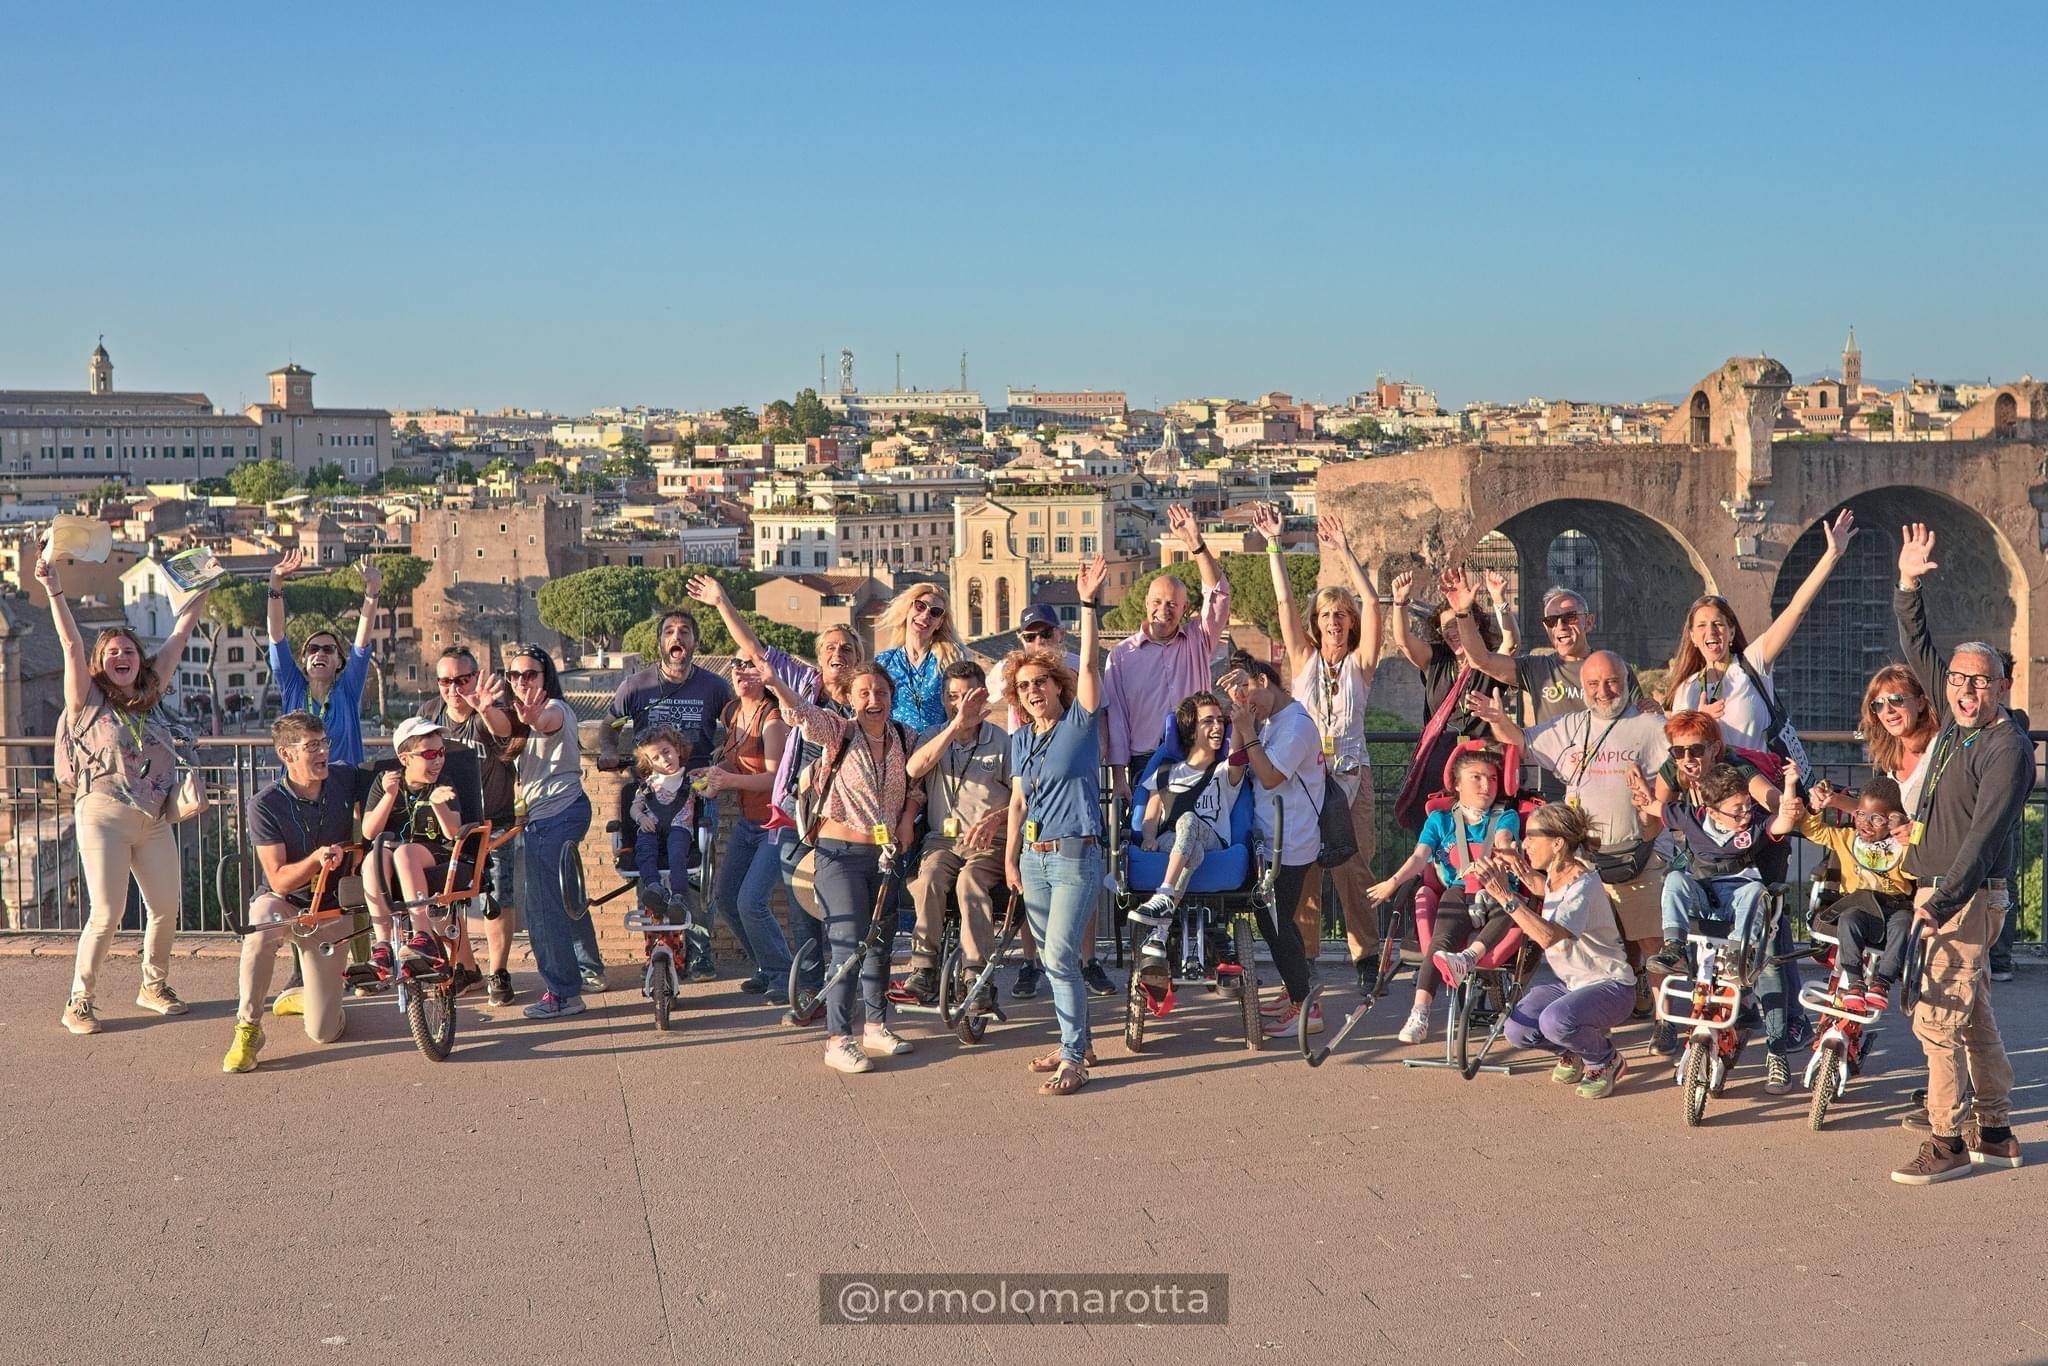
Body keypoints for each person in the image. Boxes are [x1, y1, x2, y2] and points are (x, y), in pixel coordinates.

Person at [1888, 524, 2030, 1184]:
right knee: (1971, 1016)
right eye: (1958, 680)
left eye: (1981, 681)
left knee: (1935, 1020)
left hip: (1963, 896)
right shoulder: (1955, 725)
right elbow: (1919, 649)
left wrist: (1936, 903)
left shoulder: (2006, 749)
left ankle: (1946, 1141)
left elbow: (1984, 837)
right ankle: (1996, 1131)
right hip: (1943, 890)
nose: (1966, 690)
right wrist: (1909, 584)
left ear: (2003, 686)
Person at [40, 548, 211, 1035]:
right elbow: (71, 646)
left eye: (129, 651)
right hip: (103, 815)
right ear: (100, 662)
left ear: (140, 661)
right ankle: (79, 1000)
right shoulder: (87, 701)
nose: (121, 657)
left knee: (165, 907)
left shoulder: (151, 694)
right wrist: (54, 587)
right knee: (108, 912)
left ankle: (152, 986)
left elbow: (180, 634)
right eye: (112, 652)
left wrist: (200, 588)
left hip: (153, 818)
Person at [686, 574, 859, 1021]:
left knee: (845, 914)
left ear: (859, 659)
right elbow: (757, 650)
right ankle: (807, 993)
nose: (837, 655)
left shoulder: (867, 699)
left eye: (846, 649)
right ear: (818, 659)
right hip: (796, 816)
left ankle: (851, 995)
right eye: (829, 649)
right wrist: (722, 601)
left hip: (845, 818)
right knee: (803, 909)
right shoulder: (802, 684)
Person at [1467, 651, 1670, 1022]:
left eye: (1612, 682)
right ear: (1584, 687)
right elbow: (1522, 740)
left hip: (1637, 852)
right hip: (1586, 859)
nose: (1604, 691)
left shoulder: (1650, 724)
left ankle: (1665, 1021)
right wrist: (1498, 719)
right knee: (1592, 942)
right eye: (1594, 684)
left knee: (1650, 940)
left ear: (1627, 682)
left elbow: (1684, 760)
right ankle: (1591, 1018)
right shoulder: (1571, 725)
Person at [759, 661, 919, 1073]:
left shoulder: (904, 736)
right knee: (849, 942)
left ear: (891, 698)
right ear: (849, 698)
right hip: (837, 854)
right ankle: (837, 1038)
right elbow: (803, 716)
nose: (873, 700)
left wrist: (907, 815)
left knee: (880, 942)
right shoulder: (840, 731)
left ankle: (876, 1025)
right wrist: (777, 685)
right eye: (863, 692)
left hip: (883, 857)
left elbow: (918, 782)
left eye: (881, 692)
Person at [1252, 504, 1385, 992]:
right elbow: (1285, 605)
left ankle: (1366, 959)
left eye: (1341, 614)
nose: (1334, 621)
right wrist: (1274, 546)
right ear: (1317, 622)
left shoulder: (1361, 666)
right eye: (1326, 614)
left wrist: (1345, 552)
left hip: (1353, 775)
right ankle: (1303, 959)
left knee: (1354, 870)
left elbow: (1375, 608)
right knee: (1303, 870)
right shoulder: (1303, 659)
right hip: (1306, 778)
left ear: (1350, 623)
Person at [1098, 504, 1231, 995]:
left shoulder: (1198, 640)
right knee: (1147, 846)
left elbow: (1219, 593)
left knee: (1194, 838)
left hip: (1197, 760)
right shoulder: (1121, 656)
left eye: (1174, 604)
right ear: (1144, 605)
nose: (1164, 611)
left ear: (1183, 610)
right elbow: (1114, 719)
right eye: (1157, 602)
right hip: (1142, 763)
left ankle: (1204, 936)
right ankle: (1153, 955)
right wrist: (1118, 777)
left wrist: (1197, 543)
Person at [1004, 556, 1112, 1094]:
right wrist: (1009, 860)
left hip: (1074, 855)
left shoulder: (1079, 725)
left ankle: (1074, 1057)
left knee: (1059, 956)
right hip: (1033, 859)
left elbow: (1090, 667)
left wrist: (1088, 603)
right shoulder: (1021, 739)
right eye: (1023, 687)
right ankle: (1081, 1040)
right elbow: (1018, 803)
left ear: (1057, 685)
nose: (1032, 691)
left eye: (1041, 682)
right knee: (1053, 961)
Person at [222, 713, 376, 1072]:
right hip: (285, 903)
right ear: (286, 754)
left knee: (324, 1032)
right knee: (260, 925)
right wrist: (317, 860)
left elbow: (391, 774)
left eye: (324, 743)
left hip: (331, 909)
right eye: (312, 746)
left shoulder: (344, 776)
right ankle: (248, 1028)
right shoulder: (264, 804)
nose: (323, 751)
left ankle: (304, 997)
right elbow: (278, 880)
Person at [600, 607, 733, 980]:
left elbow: (738, 723)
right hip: (651, 793)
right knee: (649, 870)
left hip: (698, 791)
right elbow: (608, 725)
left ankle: (701, 953)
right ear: (660, 642)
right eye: (670, 631)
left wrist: (729, 760)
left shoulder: (714, 686)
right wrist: (609, 751)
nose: (678, 637)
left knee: (699, 873)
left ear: (695, 643)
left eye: (685, 632)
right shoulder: (637, 686)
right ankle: (656, 949)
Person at [1472, 802, 1636, 1099]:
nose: (1525, 843)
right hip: (1573, 985)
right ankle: (1574, 1051)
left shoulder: (1581, 886)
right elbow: (1543, 887)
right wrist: (1516, 865)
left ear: (1558, 843)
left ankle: (1604, 1060)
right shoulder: (1558, 872)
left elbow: (1547, 937)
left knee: (1554, 1022)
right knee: (1516, 1031)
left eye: (1532, 837)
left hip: (1612, 987)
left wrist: (1505, 895)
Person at [1661, 509, 1856, 755]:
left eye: (1719, 624)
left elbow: (1796, 610)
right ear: (1692, 636)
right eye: (1701, 626)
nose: (1711, 631)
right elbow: (1679, 752)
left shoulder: (1751, 665)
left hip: (1760, 789)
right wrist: (1698, 720)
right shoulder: (1686, 689)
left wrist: (1831, 556)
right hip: (1714, 790)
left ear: (1731, 632)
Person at [1212, 651, 1329, 1039]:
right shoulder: (1271, 721)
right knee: (1277, 921)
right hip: (1274, 839)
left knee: (1275, 923)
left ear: (1264, 680)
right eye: (1236, 695)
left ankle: (1306, 1006)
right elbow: (1240, 764)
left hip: (1290, 842)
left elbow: (1271, 775)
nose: (1245, 702)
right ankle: (1297, 992)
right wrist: (1243, 725)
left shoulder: (1295, 726)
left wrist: (1247, 729)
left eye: (1246, 690)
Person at [1370, 747, 1521, 1044]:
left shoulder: (1506, 816)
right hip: (1459, 890)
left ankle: (1466, 958)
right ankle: (1419, 1013)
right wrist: (1393, 881)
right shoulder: (1440, 820)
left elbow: (1504, 841)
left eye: (1492, 778)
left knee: (1509, 907)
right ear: (1456, 784)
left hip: (1499, 889)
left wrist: (1505, 854)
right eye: (1476, 778)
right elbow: (1419, 857)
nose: (1486, 786)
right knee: (1440, 941)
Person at [901, 661, 1011, 1011]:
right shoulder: (933, 734)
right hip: (942, 840)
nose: (960, 703)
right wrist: (954, 727)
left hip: (987, 843)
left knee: (970, 883)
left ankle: (976, 975)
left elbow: (1023, 799)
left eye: (968, 696)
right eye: (952, 696)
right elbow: (914, 768)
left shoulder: (1003, 741)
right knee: (928, 879)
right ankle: (924, 969)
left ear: (983, 697)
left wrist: (997, 819)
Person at [500, 644, 596, 1021]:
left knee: (541, 908)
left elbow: (547, 721)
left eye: (530, 675)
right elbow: (506, 729)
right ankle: (590, 970)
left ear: (546, 678)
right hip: (554, 813)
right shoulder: (520, 716)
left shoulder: (555, 708)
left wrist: (534, 717)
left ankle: (562, 992)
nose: (522, 681)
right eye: (514, 675)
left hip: (557, 813)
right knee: (566, 898)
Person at [424, 646, 524, 1005]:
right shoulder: (429, 716)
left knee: (496, 898)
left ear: (475, 677)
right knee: (445, 899)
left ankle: (499, 971)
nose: (454, 688)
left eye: (462, 679)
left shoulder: (487, 714)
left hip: (493, 822)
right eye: (445, 681)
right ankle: (467, 967)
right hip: (448, 824)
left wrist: (486, 708)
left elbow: (509, 733)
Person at [1127, 691, 1246, 984]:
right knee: (1191, 850)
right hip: (1179, 844)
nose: (1217, 727)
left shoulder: (1223, 771)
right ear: (1191, 730)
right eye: (1208, 721)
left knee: (1189, 820)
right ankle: (1162, 931)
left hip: (1212, 837)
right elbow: (1151, 814)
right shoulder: (1167, 771)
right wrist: (1149, 837)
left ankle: (1164, 896)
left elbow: (1239, 757)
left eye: (1221, 721)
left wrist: (1241, 721)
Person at [1388, 567, 1518, 831]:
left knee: (1476, 831)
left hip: (1481, 760)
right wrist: (1400, 602)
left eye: (1458, 622)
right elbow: (1403, 641)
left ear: (1474, 624)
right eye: (1446, 626)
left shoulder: (1489, 662)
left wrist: (1499, 600)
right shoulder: (1436, 659)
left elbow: (1511, 642)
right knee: (1439, 831)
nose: (1453, 631)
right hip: (1440, 761)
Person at [697, 655, 794, 1003]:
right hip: (748, 822)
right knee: (725, 898)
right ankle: (766, 967)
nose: (741, 671)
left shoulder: (773, 720)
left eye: (751, 665)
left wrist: (726, 780)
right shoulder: (732, 712)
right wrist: (712, 772)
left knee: (751, 901)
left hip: (777, 823)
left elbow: (774, 779)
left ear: (766, 674)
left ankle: (784, 976)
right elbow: (734, 759)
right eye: (738, 665)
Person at [1781, 776, 1914, 1012]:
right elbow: (1813, 831)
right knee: (1849, 919)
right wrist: (1815, 807)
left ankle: (1882, 983)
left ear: (1892, 820)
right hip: (1858, 905)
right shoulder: (1847, 838)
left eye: (1877, 819)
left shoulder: (1902, 846)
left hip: (1893, 906)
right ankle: (1855, 982)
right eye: (1861, 814)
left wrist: (1908, 835)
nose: (1866, 823)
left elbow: (1916, 871)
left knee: (1904, 924)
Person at [361, 717, 483, 976]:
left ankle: (423, 935)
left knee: (405, 853)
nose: (438, 760)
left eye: (441, 753)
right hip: (390, 852)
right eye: (429, 754)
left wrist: (438, 804)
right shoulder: (385, 782)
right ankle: (382, 944)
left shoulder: (442, 783)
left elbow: (453, 833)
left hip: (433, 852)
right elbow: (369, 832)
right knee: (374, 858)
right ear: (405, 758)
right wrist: (389, 796)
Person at [267, 549, 381, 765]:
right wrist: (275, 583)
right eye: (313, 649)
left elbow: (361, 642)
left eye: (329, 649)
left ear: (339, 661)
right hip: (300, 787)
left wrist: (372, 592)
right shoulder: (293, 687)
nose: (320, 652)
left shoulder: (348, 690)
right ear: (304, 659)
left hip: (343, 788)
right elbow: (276, 635)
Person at [627, 726, 699, 916]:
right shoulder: (649, 784)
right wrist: (641, 818)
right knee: (644, 849)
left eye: (666, 752)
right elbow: (635, 808)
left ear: (677, 749)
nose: (664, 759)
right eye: (656, 758)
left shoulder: (691, 780)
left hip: (679, 827)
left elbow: (709, 793)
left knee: (677, 853)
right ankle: (654, 888)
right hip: (651, 826)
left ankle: (678, 897)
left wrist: (713, 782)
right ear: (649, 763)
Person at [873, 583, 961, 732]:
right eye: (920, 606)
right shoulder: (883, 663)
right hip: (895, 749)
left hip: (937, 749)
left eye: (935, 612)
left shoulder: (949, 661)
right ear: (908, 610)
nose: (926, 615)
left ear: (940, 622)